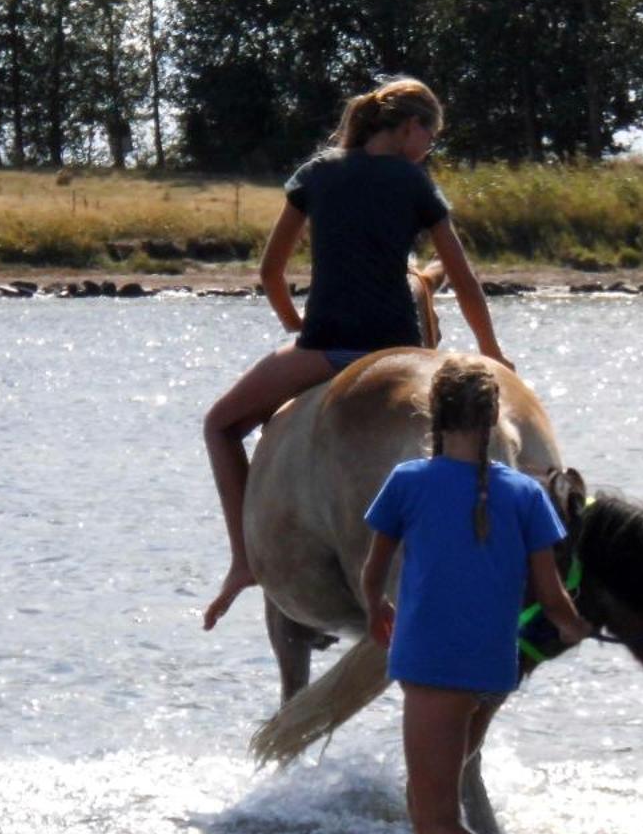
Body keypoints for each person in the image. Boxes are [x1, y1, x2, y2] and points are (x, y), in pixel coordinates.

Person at [202, 77, 511, 630]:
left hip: (329, 347)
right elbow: (462, 279)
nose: (429, 148)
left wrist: (297, 326)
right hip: (400, 344)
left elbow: (271, 271)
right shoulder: (415, 183)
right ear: (410, 127)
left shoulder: (319, 174)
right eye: (431, 136)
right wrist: (491, 351)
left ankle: (244, 563)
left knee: (220, 425)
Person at [359, 356, 591, 834]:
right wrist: (575, 626)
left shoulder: (409, 482)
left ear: (433, 416)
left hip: (433, 663)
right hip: (492, 665)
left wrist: (376, 609)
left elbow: (373, 574)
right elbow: (553, 595)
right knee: (430, 798)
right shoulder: (526, 494)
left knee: (437, 817)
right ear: (493, 423)